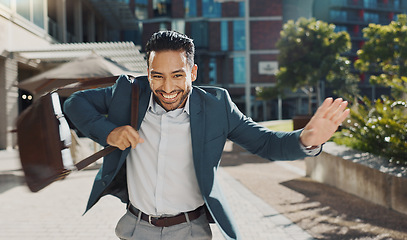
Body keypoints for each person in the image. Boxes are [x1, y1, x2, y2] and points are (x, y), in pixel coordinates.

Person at [63, 30, 350, 240]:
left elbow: (266, 142)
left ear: (193, 72)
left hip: (190, 230)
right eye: (157, 76)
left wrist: (307, 139)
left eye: (177, 75)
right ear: (147, 72)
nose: (167, 87)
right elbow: (75, 102)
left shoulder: (217, 106)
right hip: (136, 227)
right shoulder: (129, 92)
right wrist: (109, 132)